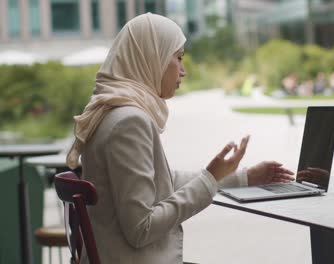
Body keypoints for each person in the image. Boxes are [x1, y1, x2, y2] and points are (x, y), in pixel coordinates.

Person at [66, 13, 294, 264]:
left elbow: (162, 180)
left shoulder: (112, 111)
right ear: (152, 58)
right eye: (178, 58)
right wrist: (208, 180)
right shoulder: (129, 122)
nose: (183, 71)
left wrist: (240, 176)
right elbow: (142, 228)